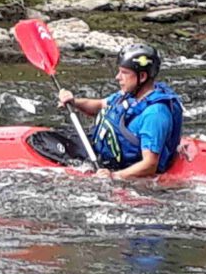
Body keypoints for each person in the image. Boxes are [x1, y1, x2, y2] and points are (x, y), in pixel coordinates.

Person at [57, 43, 183, 180]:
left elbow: (150, 164)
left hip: (132, 175)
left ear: (142, 76)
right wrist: (74, 102)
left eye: (124, 73)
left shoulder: (155, 115)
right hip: (108, 159)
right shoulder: (130, 94)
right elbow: (101, 105)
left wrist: (114, 176)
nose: (118, 77)